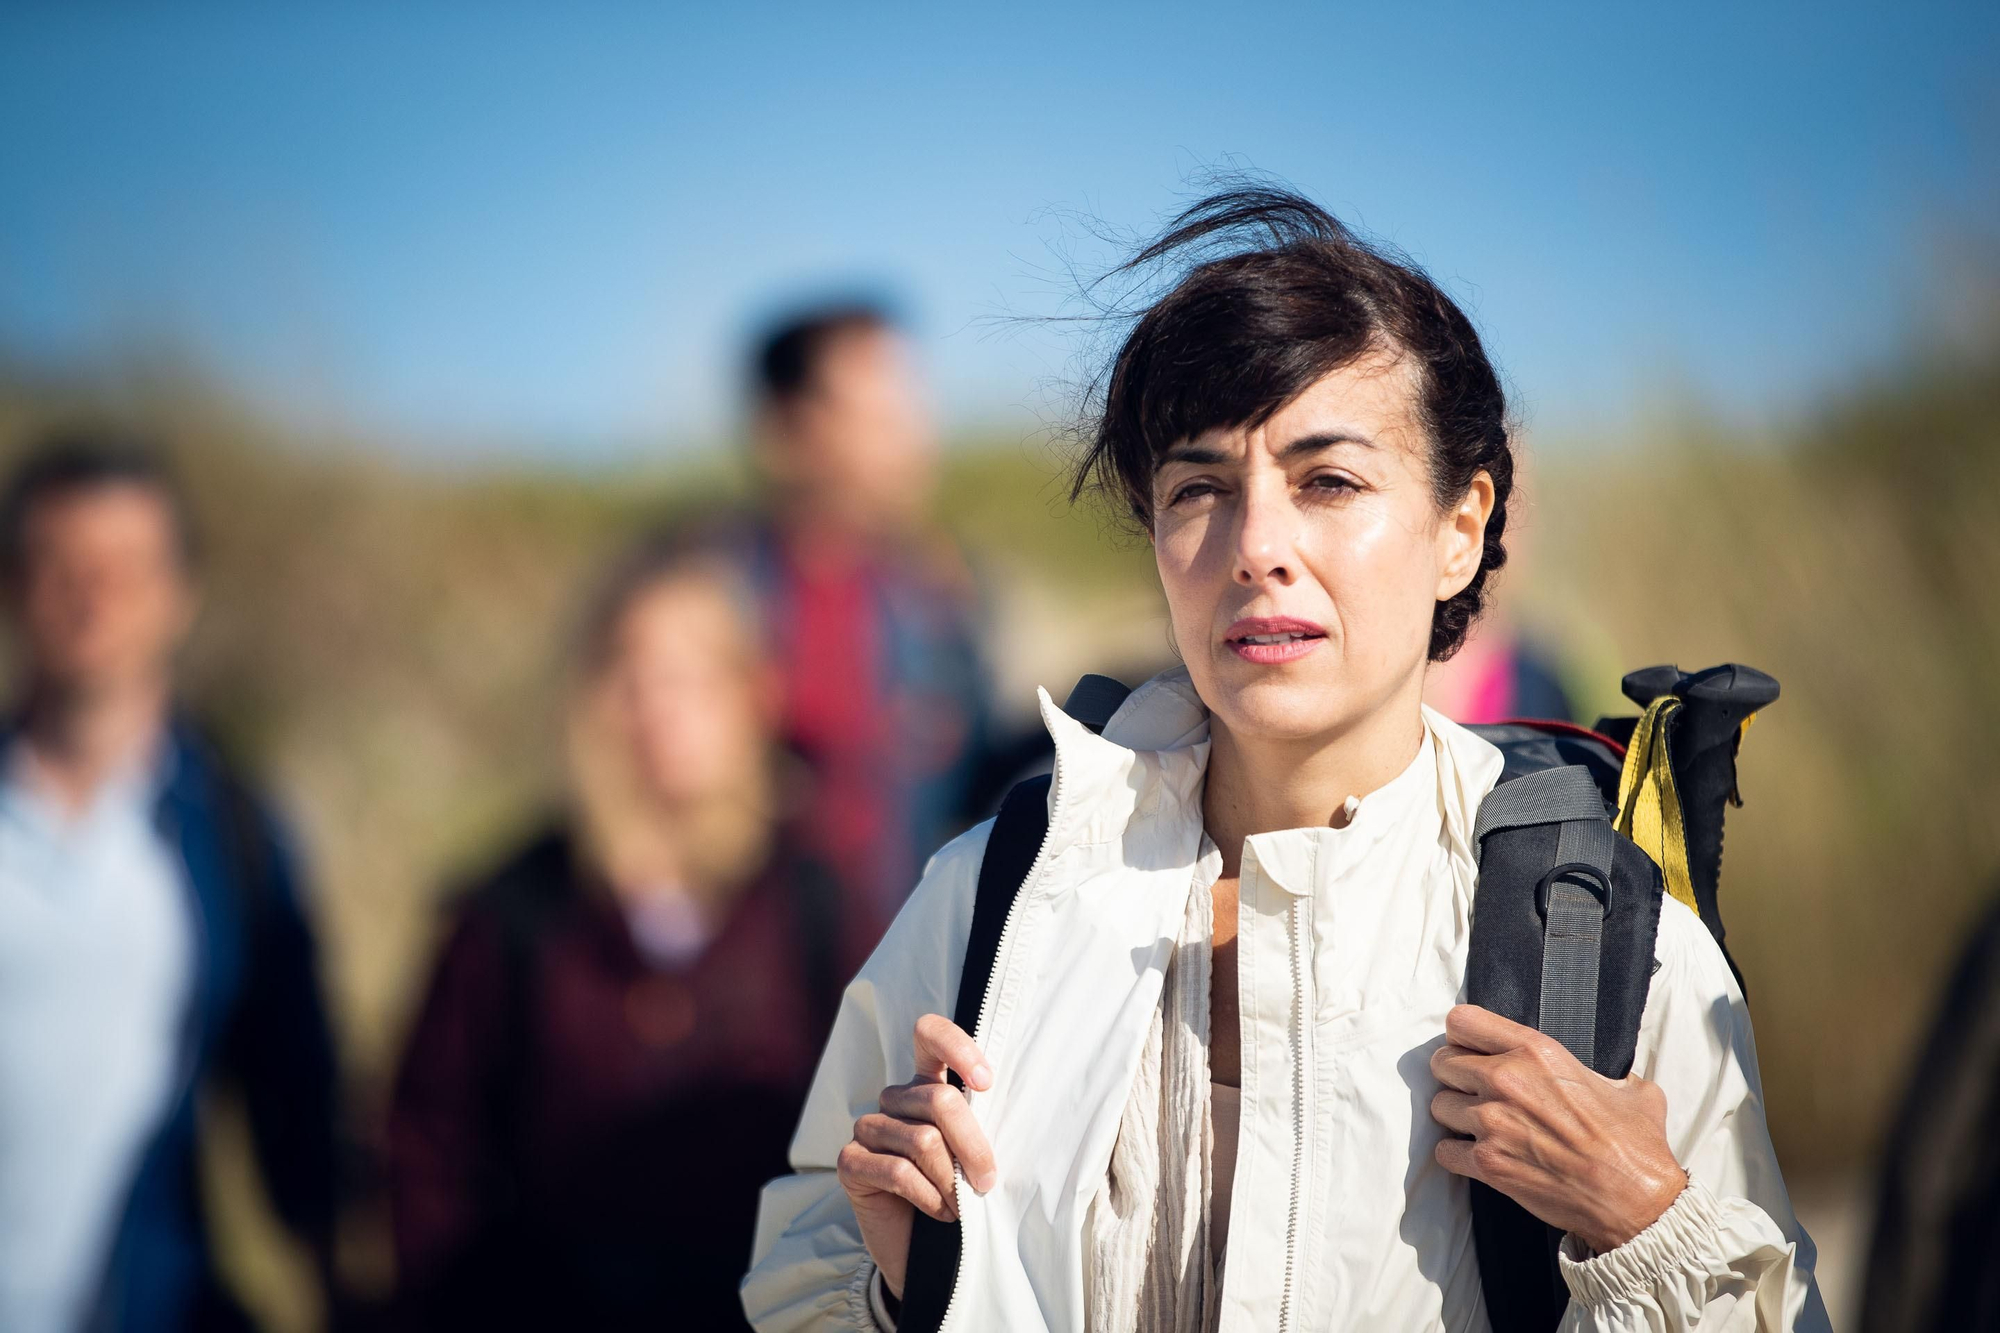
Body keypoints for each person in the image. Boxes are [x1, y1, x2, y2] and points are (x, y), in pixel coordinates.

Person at [742, 190, 1828, 1331]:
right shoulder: (999, 896)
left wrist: (1646, 1223)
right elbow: (802, 1274)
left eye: (1329, 481)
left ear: (1460, 528)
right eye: (1199, 488)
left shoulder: (1604, 942)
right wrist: (897, 1289)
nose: (1256, 546)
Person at [388, 534, 847, 1331]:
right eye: (630, 674)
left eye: (691, 677)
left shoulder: (816, 907)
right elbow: (427, 1157)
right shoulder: (512, 912)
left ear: (755, 693)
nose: (657, 707)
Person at [0, 431, 339, 1332]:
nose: (93, 598)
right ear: (12, 586)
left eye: (126, 568)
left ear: (179, 596)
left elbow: (295, 1097)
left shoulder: (236, 834)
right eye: (62, 566)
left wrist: (340, 1284)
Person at [733, 303, 993, 952]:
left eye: (913, 410)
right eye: (880, 417)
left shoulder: (945, 598)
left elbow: (978, 785)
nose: (916, 439)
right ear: (786, 430)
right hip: (755, 1007)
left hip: (915, 977)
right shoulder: (711, 598)